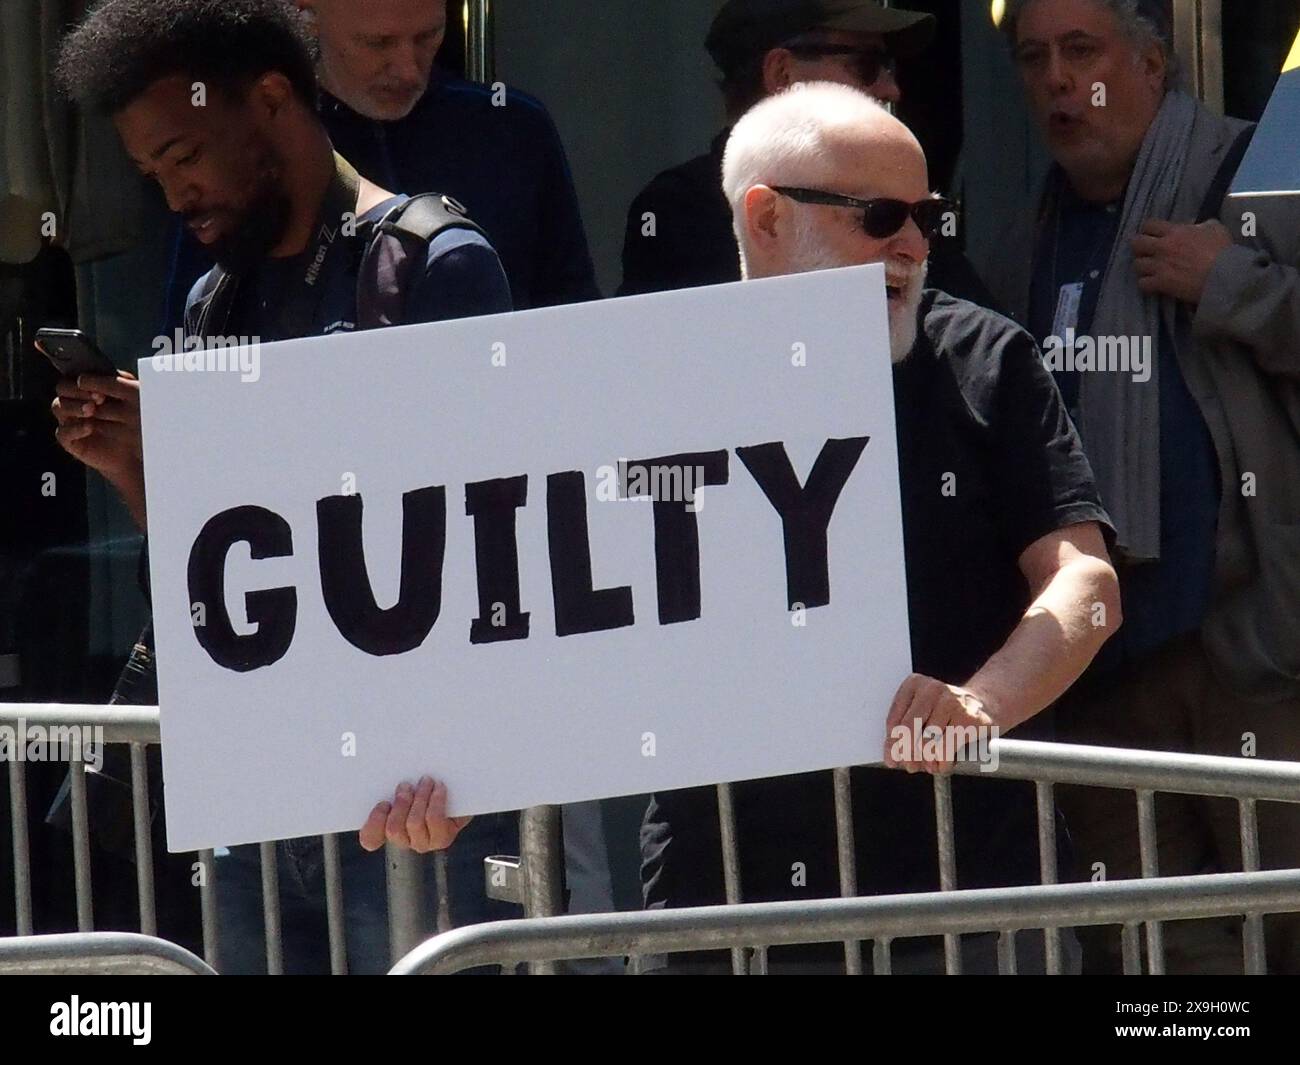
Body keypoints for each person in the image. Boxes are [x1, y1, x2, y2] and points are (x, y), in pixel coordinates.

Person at [50, 0, 508, 974]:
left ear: (269, 101)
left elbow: (479, 551)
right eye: (153, 174)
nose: (177, 194)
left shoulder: (433, 267)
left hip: (405, 805)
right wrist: (137, 466)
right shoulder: (214, 297)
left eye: (185, 155)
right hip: (258, 796)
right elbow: (216, 583)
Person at [989, 0, 1300, 974]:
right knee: (1159, 971)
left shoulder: (1261, 182)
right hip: (1106, 686)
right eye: (1032, 57)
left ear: (1154, 64)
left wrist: (1239, 286)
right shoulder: (1019, 243)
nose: (1054, 79)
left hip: (1257, 657)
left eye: (1080, 50)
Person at [159, 0, 599, 330]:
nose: (409, 70)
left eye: (428, 37)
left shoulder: (511, 131)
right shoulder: (253, 151)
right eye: (378, 43)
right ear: (303, 12)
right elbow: (193, 341)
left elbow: (573, 320)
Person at [618, 0, 994, 307]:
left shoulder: (906, 199)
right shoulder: (681, 211)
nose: (891, 88)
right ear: (783, 75)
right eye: (867, 65)